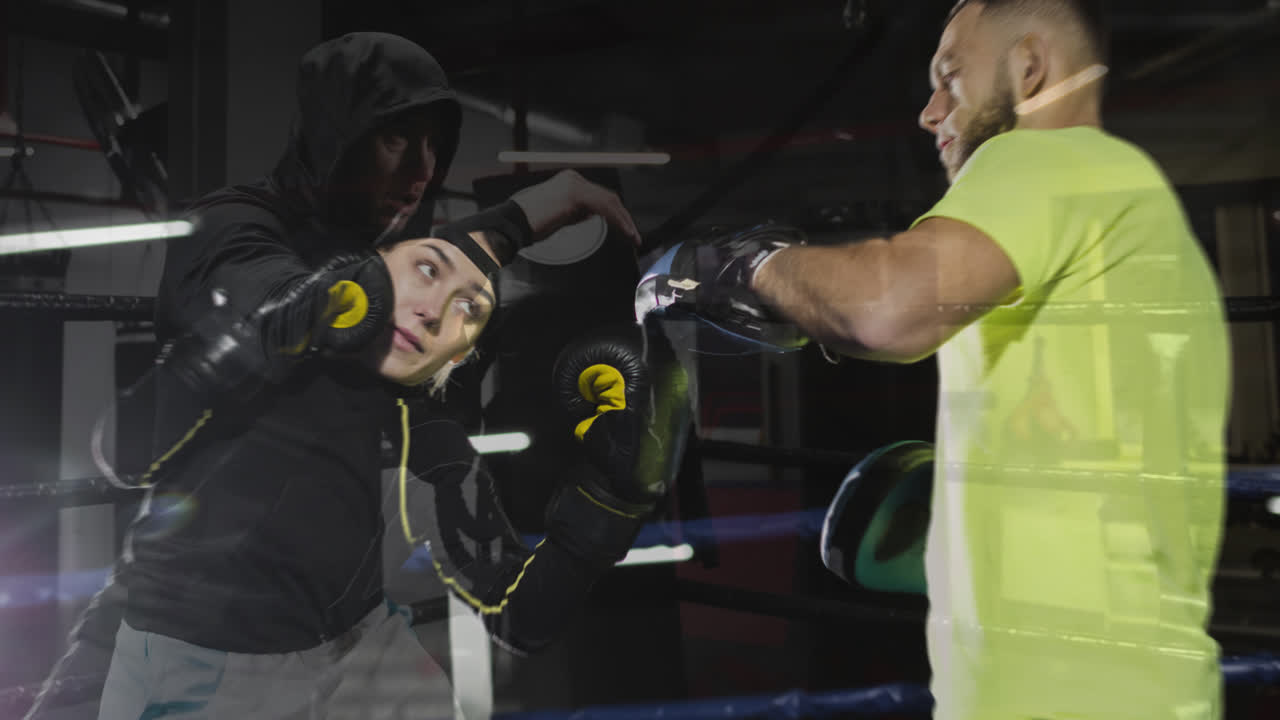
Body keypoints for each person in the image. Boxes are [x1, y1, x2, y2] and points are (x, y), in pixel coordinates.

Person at [28, 31, 680, 720]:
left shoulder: (416, 396)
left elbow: (523, 613)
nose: (422, 170)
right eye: (399, 139)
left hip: (354, 641)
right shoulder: (239, 229)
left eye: (435, 147)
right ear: (336, 133)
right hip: (204, 645)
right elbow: (290, 307)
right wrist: (520, 218)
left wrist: (610, 501)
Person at [650, 1, 1231, 718]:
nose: (930, 112)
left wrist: (737, 265)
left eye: (950, 77)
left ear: (1030, 67)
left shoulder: (1053, 158)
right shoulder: (1122, 207)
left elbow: (885, 309)